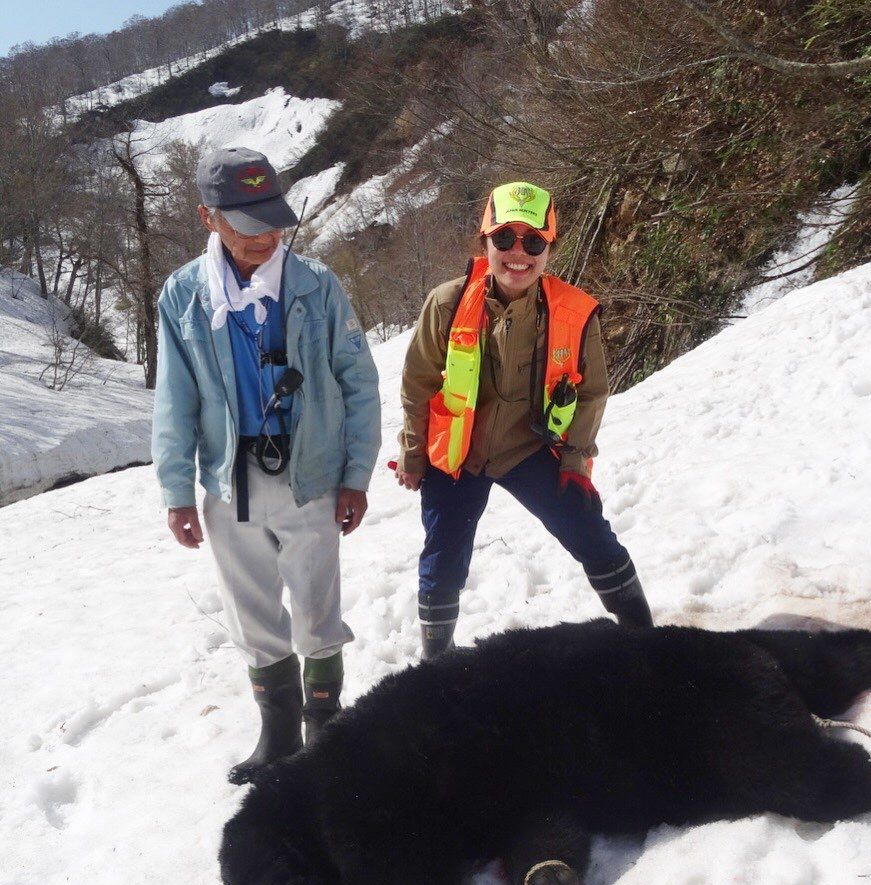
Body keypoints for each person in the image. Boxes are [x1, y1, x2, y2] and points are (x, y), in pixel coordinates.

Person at [152, 146, 381, 784]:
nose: (266, 237)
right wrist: (176, 490)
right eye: (249, 225)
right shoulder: (184, 298)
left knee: (316, 610)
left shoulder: (317, 286)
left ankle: (326, 739)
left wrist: (356, 475)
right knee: (251, 614)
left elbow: (358, 381)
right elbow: (176, 400)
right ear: (209, 219)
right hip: (232, 482)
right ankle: (278, 738)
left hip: (311, 475)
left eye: (274, 220)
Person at [396, 180, 651, 658]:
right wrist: (413, 453)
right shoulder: (447, 303)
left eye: (534, 240)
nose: (519, 252)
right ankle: (436, 667)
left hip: (532, 448)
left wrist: (575, 462)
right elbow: (418, 382)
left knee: (591, 534)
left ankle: (646, 641)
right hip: (459, 455)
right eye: (505, 239)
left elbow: (592, 392)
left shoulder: (574, 313)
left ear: (550, 246)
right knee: (443, 561)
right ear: (485, 241)